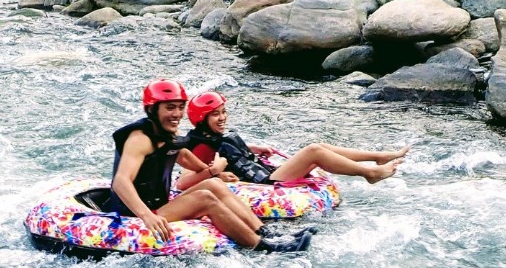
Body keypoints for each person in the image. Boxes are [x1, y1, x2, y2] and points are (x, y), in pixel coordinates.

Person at [108, 80, 311, 253]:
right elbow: (121, 181)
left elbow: (186, 158)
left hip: (156, 205)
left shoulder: (165, 133)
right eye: (170, 107)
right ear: (152, 109)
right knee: (205, 199)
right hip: (135, 215)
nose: (177, 114)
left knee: (213, 186)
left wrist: (215, 172)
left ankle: (267, 232)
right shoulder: (140, 139)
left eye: (180, 107)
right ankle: (263, 247)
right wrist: (146, 216)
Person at [183, 91, 409, 184]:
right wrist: (218, 174)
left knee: (318, 146)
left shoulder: (212, 136)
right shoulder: (200, 145)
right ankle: (370, 173)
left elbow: (227, 149)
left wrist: (255, 148)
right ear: (202, 119)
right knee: (314, 151)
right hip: (264, 184)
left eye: (223, 112)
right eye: (215, 114)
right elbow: (184, 181)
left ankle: (378, 157)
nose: (222, 118)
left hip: (265, 173)